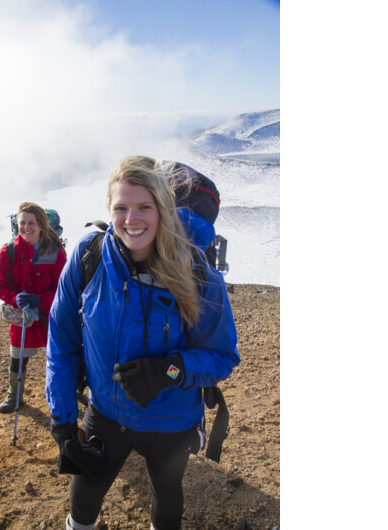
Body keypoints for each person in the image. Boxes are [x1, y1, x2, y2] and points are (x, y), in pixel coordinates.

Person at [45, 156, 240, 530]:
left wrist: (169, 370)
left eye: (144, 207)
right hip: (106, 412)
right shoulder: (90, 256)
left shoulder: (199, 273)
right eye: (121, 207)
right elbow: (62, 340)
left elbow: (222, 356)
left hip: (171, 421)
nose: (131, 220)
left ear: (163, 209)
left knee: (166, 495)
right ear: (109, 209)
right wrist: (63, 421)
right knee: (83, 499)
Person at [0, 202, 67, 414]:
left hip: (52, 314)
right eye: (22, 222)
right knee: (18, 355)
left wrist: (40, 299)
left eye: (31, 223)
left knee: (60, 355)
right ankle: (14, 395)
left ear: (42, 225)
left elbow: (64, 288)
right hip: (23, 315)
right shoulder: (7, 252)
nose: (26, 227)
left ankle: (65, 392)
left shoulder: (54, 251)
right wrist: (15, 299)